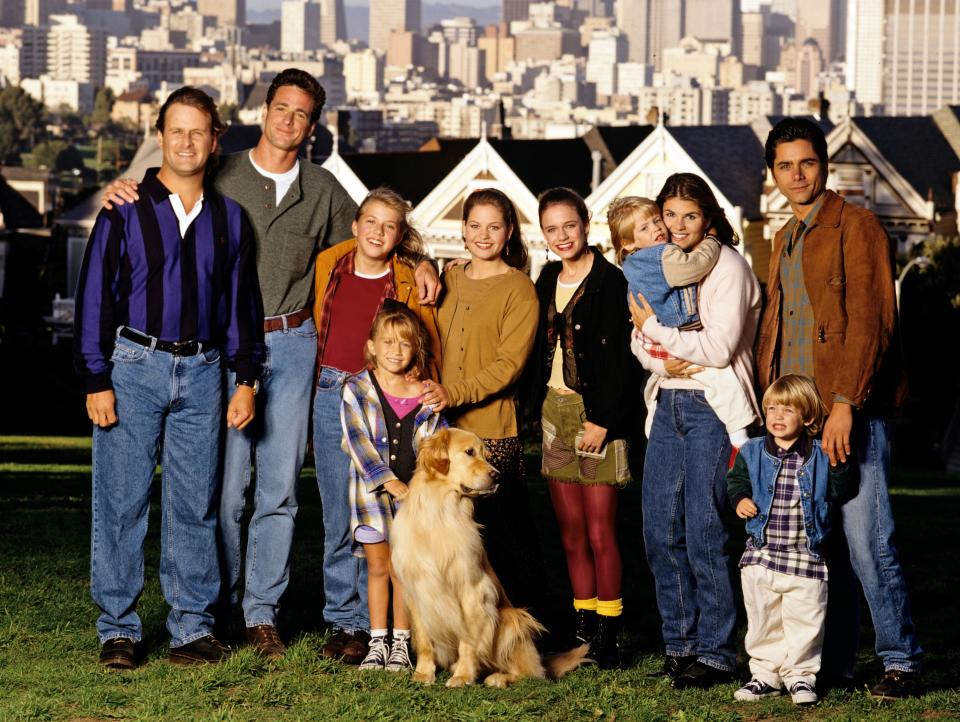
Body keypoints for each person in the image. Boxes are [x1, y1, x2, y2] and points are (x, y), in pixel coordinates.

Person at [102, 69, 440, 659]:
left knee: (279, 490)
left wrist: (423, 259)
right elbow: (160, 189)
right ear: (264, 111)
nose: (289, 121)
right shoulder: (220, 169)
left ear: (312, 127)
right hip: (217, 349)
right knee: (221, 491)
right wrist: (120, 186)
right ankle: (215, 610)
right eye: (281, 108)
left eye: (302, 114)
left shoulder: (323, 189)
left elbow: (374, 231)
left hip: (291, 343)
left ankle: (261, 614)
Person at [75, 87, 264, 669]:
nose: (187, 142)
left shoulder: (230, 219)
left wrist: (247, 379)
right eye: (176, 130)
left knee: (195, 505)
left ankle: (191, 628)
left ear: (215, 140)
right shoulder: (123, 209)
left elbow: (240, 306)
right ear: (160, 135)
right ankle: (119, 630)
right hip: (134, 366)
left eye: (199, 131)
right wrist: (95, 378)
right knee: (121, 500)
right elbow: (93, 300)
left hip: (205, 371)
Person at [756, 117, 921, 699]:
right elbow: (774, 327)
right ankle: (839, 662)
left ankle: (900, 659)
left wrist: (847, 402)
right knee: (823, 547)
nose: (796, 174)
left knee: (868, 542)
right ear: (772, 172)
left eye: (806, 162)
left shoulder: (859, 226)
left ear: (824, 165)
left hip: (851, 412)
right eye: (784, 165)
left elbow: (874, 320)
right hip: (797, 419)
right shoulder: (783, 236)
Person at [630, 173, 761, 688]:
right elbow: (636, 341)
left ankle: (716, 652)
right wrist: (662, 358)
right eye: (670, 215)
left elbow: (719, 349)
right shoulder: (663, 263)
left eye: (690, 215)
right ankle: (679, 644)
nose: (678, 225)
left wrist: (659, 336)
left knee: (706, 531)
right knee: (660, 529)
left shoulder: (727, 266)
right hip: (667, 404)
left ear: (708, 217)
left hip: (713, 407)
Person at [312, 188, 442, 664]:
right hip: (333, 391)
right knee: (341, 515)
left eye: (389, 227)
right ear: (355, 224)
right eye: (370, 222)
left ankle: (383, 631)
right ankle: (345, 623)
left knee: (393, 519)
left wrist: (429, 386)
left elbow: (423, 338)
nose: (377, 232)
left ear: (400, 236)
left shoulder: (409, 278)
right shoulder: (330, 263)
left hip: (389, 394)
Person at [524, 187, 638, 667]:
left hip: (598, 417)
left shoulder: (612, 282)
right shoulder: (546, 277)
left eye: (569, 225)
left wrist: (604, 421)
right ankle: (583, 627)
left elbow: (623, 362)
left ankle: (610, 633)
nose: (561, 236)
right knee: (569, 532)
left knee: (599, 531)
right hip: (555, 412)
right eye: (551, 229)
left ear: (585, 224)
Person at [420, 187, 545, 615]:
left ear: (509, 232)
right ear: (463, 230)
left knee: (505, 542)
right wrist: (423, 262)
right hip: (444, 432)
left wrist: (451, 393)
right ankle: (467, 632)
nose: (483, 235)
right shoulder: (449, 276)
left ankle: (528, 632)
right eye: (475, 226)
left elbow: (508, 365)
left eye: (494, 227)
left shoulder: (519, 289)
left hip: (492, 434)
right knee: (456, 544)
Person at [727, 374, 856, 706]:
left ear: (809, 417)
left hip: (805, 556)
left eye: (787, 410)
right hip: (762, 554)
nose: (777, 417)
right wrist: (740, 497)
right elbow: (736, 480)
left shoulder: (819, 454)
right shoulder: (752, 450)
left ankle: (800, 675)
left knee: (805, 619)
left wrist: (840, 466)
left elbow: (840, 492)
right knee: (763, 618)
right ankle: (766, 675)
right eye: (771, 409)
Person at [340, 304, 446, 671]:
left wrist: (420, 485)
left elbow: (437, 446)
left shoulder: (427, 395)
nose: (395, 350)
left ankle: (401, 643)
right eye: (387, 342)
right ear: (371, 346)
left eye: (403, 344)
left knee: (404, 568)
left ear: (415, 349)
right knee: (378, 567)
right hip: (370, 496)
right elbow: (357, 441)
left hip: (413, 500)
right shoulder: (355, 389)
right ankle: (377, 641)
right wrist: (388, 480)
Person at [609, 196, 756, 451]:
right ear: (629, 242)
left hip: (653, 339)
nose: (658, 228)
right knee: (722, 380)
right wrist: (712, 239)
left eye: (656, 220)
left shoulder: (634, 262)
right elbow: (695, 266)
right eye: (645, 228)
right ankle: (740, 438)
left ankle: (652, 426)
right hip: (664, 334)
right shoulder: (660, 256)